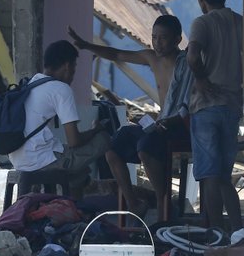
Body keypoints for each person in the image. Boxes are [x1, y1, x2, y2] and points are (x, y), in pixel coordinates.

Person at [70, 16, 189, 216]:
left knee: (145, 148)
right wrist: (87, 46)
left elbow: (189, 104)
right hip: (159, 123)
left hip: (178, 125)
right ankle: (133, 203)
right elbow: (117, 53)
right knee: (113, 148)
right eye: (154, 37)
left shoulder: (186, 64)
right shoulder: (152, 58)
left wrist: (170, 120)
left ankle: (163, 202)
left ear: (177, 39)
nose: (157, 43)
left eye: (163, 38)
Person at [187, 0, 244, 241]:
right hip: (231, 106)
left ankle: (215, 234)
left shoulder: (203, 23)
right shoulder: (240, 22)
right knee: (225, 174)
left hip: (206, 107)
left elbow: (191, 57)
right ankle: (237, 229)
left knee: (209, 175)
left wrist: (200, 78)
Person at [8, 40, 111, 198]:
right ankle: (76, 207)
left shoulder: (31, 83)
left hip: (18, 159)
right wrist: (95, 129)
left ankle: (74, 206)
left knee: (78, 168)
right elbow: (74, 141)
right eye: (74, 69)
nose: (73, 75)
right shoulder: (61, 89)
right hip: (40, 161)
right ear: (67, 66)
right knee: (103, 139)